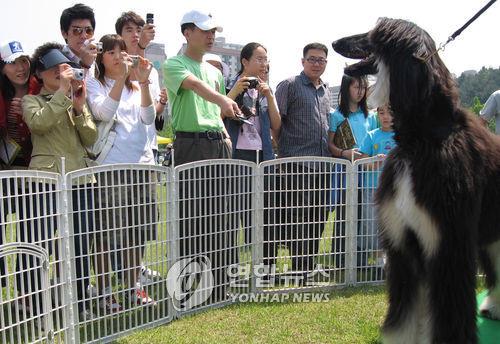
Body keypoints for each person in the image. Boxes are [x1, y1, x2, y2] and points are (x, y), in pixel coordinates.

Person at [163, 9, 239, 304]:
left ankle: (220, 286)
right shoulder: (173, 64)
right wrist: (222, 98)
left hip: (219, 143)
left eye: (213, 31)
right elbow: (194, 87)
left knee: (222, 218)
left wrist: (226, 135)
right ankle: (191, 287)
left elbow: (218, 111)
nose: (211, 36)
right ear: (187, 32)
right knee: (193, 218)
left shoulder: (215, 72)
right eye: (205, 30)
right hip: (190, 145)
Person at [23, 43, 97, 320]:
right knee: (38, 243)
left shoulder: (74, 98)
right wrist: (64, 95)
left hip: (79, 180)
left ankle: (78, 303)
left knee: (79, 244)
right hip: (45, 181)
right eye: (54, 70)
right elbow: (39, 124)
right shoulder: (33, 101)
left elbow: (90, 137)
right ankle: (33, 303)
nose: (61, 73)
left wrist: (79, 108)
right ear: (39, 74)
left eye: (64, 68)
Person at [86, 34, 157, 312]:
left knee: (137, 232)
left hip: (141, 166)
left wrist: (144, 81)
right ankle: (105, 291)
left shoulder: (136, 85)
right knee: (106, 233)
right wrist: (121, 80)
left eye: (121, 51)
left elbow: (150, 119)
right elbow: (103, 112)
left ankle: (130, 288)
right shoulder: (94, 83)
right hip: (110, 168)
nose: (118, 56)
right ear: (101, 58)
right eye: (110, 52)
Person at [115, 10, 165, 286]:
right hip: (117, 156)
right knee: (116, 226)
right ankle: (119, 278)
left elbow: (153, 109)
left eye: (138, 30)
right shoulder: (110, 66)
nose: (135, 35)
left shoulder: (151, 69)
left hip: (146, 153)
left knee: (142, 224)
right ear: (119, 37)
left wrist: (160, 103)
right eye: (129, 31)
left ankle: (135, 274)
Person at [274, 43, 332, 280]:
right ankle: (297, 268)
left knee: (318, 218)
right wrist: (282, 155)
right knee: (297, 217)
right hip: (296, 164)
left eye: (321, 60)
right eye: (312, 59)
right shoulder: (289, 85)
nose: (317, 63)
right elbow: (275, 123)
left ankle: (308, 266)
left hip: (323, 165)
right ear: (302, 61)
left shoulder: (326, 90)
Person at [224, 42, 281, 247]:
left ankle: (256, 248)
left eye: (266, 59)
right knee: (233, 206)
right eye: (259, 59)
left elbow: (276, 125)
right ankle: (230, 254)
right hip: (238, 154)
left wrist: (269, 96)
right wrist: (235, 90)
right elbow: (219, 115)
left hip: (262, 154)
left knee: (260, 206)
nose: (263, 64)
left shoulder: (265, 89)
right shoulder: (230, 84)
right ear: (244, 62)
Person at [0, 40, 41, 288]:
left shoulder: (39, 90)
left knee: (32, 233)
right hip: (4, 171)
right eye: (13, 62)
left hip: (34, 171)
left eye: (23, 60)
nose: (20, 67)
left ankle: (29, 289)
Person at [328, 74, 378, 268]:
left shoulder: (370, 116)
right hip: (344, 174)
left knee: (362, 215)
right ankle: (340, 257)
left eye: (363, 87)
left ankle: (360, 258)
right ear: (346, 88)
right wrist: (344, 152)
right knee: (343, 214)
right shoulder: (337, 115)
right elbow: (330, 145)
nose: (360, 91)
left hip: (366, 175)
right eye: (356, 86)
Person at [356, 104, 396, 271]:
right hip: (372, 188)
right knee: (371, 223)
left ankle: (393, 259)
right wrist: (374, 161)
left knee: (393, 224)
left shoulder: (401, 137)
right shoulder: (371, 135)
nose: (385, 116)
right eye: (381, 113)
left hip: (395, 189)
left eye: (389, 112)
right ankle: (378, 258)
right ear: (377, 115)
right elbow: (362, 161)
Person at [59, 3, 98, 74]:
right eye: (77, 31)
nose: (84, 36)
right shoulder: (56, 61)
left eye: (88, 30)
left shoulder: (98, 61)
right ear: (64, 33)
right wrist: (85, 65)